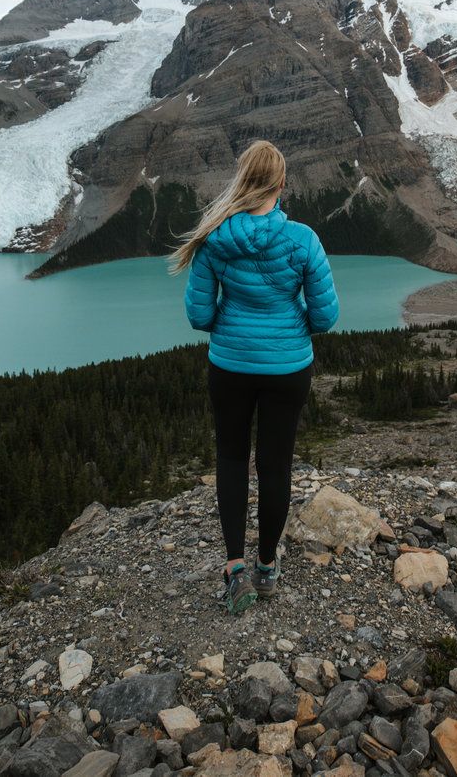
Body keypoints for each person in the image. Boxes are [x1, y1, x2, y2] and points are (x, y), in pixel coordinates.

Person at [167, 139, 339, 613]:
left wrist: (234, 319)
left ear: (242, 180)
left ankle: (234, 568)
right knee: (275, 465)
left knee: (231, 458)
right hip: (288, 367)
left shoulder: (214, 239)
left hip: (230, 366)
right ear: (282, 184)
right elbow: (325, 317)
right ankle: (266, 567)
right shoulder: (303, 239)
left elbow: (200, 316)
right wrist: (289, 322)